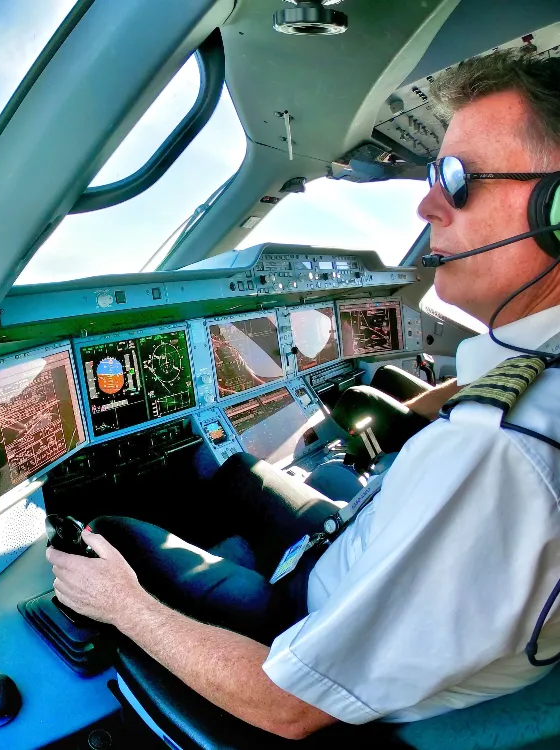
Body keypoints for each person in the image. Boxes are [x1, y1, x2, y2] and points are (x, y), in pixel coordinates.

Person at [47, 49, 560, 740]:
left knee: (111, 534)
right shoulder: (537, 378)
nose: (427, 202)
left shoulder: (495, 457)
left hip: (304, 635)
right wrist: (413, 420)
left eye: (457, 178)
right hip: (347, 558)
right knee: (232, 469)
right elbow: (487, 397)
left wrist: (122, 605)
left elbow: (289, 708)